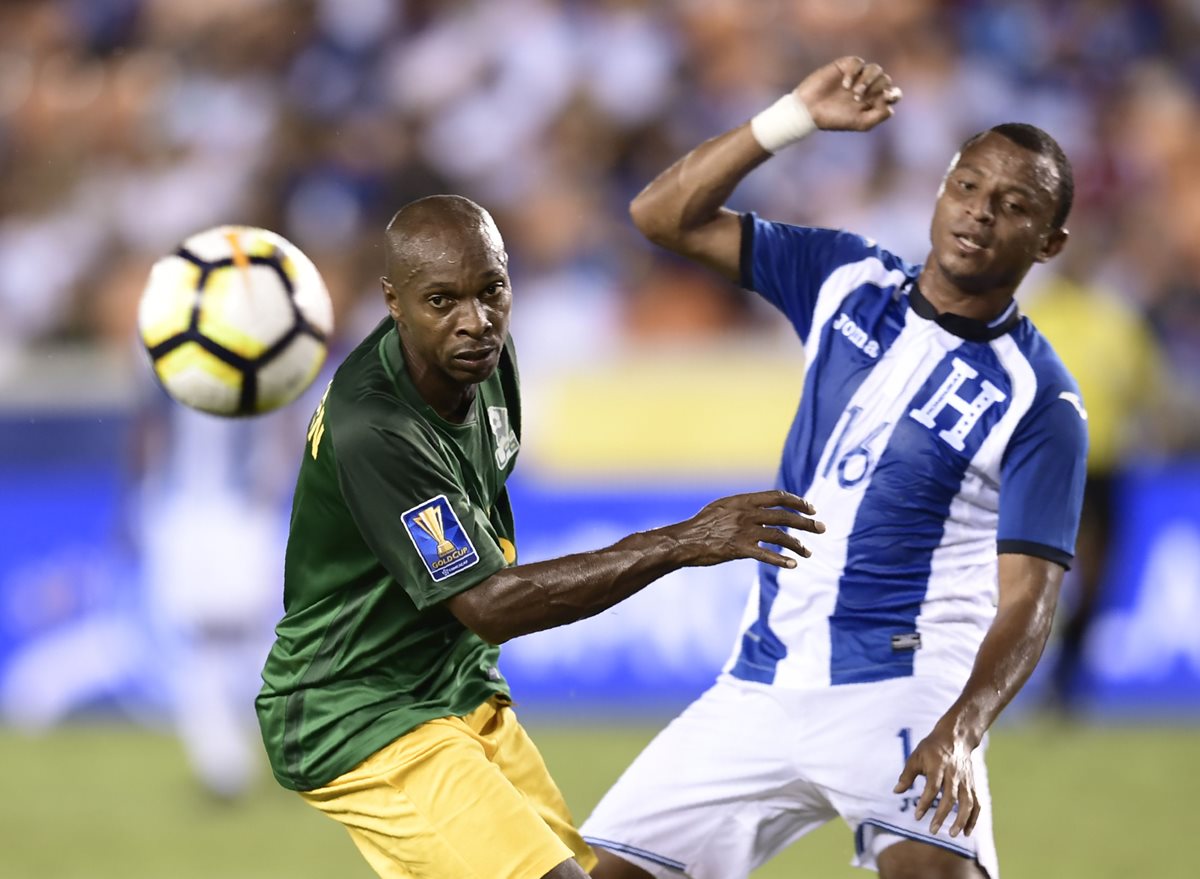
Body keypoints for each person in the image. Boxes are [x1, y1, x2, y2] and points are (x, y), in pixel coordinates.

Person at [581, 56, 1088, 879]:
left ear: (1050, 241)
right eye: (967, 187)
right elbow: (660, 214)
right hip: (761, 680)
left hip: (903, 684)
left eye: (1014, 205)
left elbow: (1031, 599)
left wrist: (961, 729)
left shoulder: (1041, 401)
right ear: (939, 191)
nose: (980, 214)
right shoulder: (845, 277)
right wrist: (790, 119)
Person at [254, 194, 824, 879]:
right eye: (442, 301)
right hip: (356, 707)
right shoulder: (376, 427)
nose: (476, 322)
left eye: (491, 290)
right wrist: (683, 540)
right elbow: (489, 604)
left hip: (453, 684)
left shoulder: (489, 363)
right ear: (393, 301)